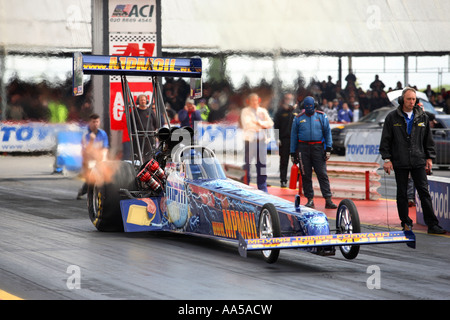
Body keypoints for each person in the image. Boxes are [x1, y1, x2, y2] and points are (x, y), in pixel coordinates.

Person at [379, 87, 446, 234]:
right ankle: (405, 222)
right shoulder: (392, 117)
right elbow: (386, 140)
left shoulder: (422, 117)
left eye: (413, 99)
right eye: (409, 99)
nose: (411, 102)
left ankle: (432, 225)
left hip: (418, 160)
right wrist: (387, 159)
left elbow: (428, 140)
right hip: (400, 160)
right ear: (403, 100)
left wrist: (429, 157)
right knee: (402, 193)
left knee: (424, 192)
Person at [290, 96, 337, 209]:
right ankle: (310, 199)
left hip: (318, 148)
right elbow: (293, 136)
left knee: (322, 174)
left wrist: (328, 149)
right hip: (303, 148)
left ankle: (328, 199)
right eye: (307, 106)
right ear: (303, 107)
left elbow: (327, 133)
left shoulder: (321, 116)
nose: (309, 108)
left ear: (314, 106)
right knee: (306, 175)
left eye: (311, 106)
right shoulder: (298, 118)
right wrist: (292, 153)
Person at [240, 93, 274, 192]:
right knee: (247, 164)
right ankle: (246, 185)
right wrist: (263, 125)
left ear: (258, 100)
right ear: (248, 101)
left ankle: (262, 186)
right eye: (252, 100)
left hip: (261, 141)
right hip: (250, 141)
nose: (254, 102)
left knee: (262, 164)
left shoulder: (263, 111)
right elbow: (247, 125)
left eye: (256, 100)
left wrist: (259, 123)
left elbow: (270, 123)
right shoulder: (245, 111)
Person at [77, 113, 109, 199]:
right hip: (88, 159)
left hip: (99, 158)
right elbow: (87, 151)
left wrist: (104, 158)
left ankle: (100, 193)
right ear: (90, 122)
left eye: (97, 122)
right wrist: (91, 140)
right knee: (91, 177)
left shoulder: (103, 134)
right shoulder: (86, 135)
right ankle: (84, 191)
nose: (95, 124)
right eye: (93, 122)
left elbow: (105, 148)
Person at [274, 93, 295, 187]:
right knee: (284, 161)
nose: (288, 100)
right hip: (284, 139)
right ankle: (283, 180)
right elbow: (276, 126)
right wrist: (277, 138)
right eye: (287, 98)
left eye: (290, 98)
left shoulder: (296, 111)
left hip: (295, 140)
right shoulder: (280, 112)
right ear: (284, 99)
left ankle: (297, 180)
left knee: (297, 160)